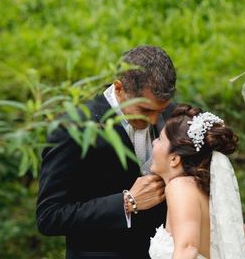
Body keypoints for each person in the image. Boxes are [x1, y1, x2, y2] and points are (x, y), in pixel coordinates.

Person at [36, 45, 177, 259]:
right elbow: (49, 216)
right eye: (145, 110)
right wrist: (126, 203)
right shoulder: (73, 128)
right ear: (119, 88)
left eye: (160, 110)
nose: (154, 120)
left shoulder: (174, 115)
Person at [148, 104, 245, 259]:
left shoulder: (179, 187)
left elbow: (188, 248)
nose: (154, 142)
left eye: (160, 139)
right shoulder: (211, 194)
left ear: (174, 159)